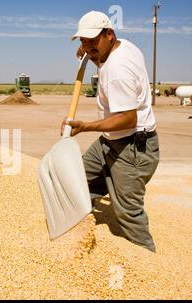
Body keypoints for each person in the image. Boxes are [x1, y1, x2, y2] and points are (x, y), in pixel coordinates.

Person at [64, 11, 160, 252]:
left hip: (133, 148)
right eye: (83, 42)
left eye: (92, 41)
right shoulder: (124, 46)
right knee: (80, 179)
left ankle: (148, 265)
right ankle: (75, 230)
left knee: (128, 213)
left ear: (109, 34)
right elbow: (102, 57)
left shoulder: (117, 71)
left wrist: (85, 126)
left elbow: (128, 119)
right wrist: (91, 53)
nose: (87, 47)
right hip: (110, 141)